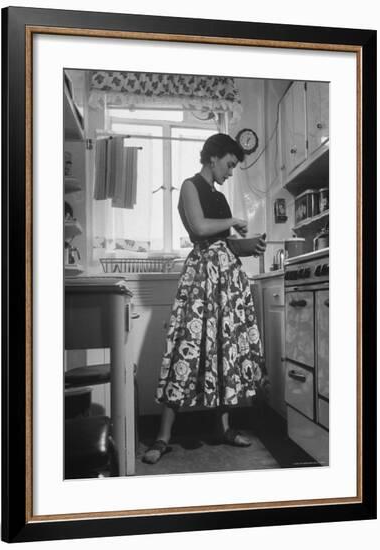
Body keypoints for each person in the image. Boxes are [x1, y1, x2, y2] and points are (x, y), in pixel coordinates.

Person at [142, 133, 268, 465]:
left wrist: (250, 244)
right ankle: (162, 437)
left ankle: (224, 428)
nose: (230, 172)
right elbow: (199, 227)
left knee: (226, 350)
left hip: (227, 279)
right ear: (213, 158)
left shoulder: (221, 198)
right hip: (201, 278)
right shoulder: (189, 185)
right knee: (187, 347)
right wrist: (233, 222)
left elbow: (225, 243)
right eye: (229, 164)